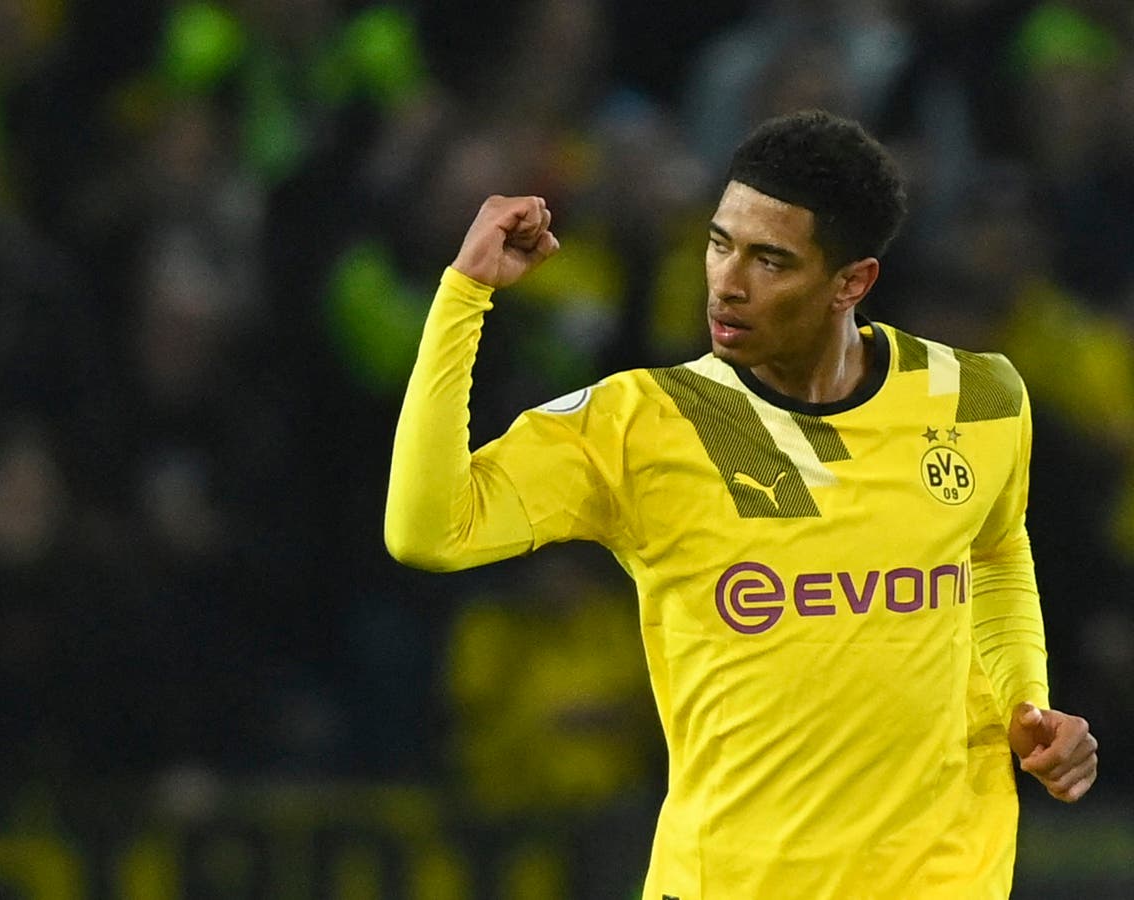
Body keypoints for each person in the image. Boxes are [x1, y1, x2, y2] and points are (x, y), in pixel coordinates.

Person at [384, 109, 1098, 899]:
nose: (727, 282)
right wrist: (464, 298)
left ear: (852, 283)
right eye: (720, 243)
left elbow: (993, 554)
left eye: (771, 260)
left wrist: (1027, 703)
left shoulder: (979, 395)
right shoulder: (643, 424)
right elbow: (429, 530)